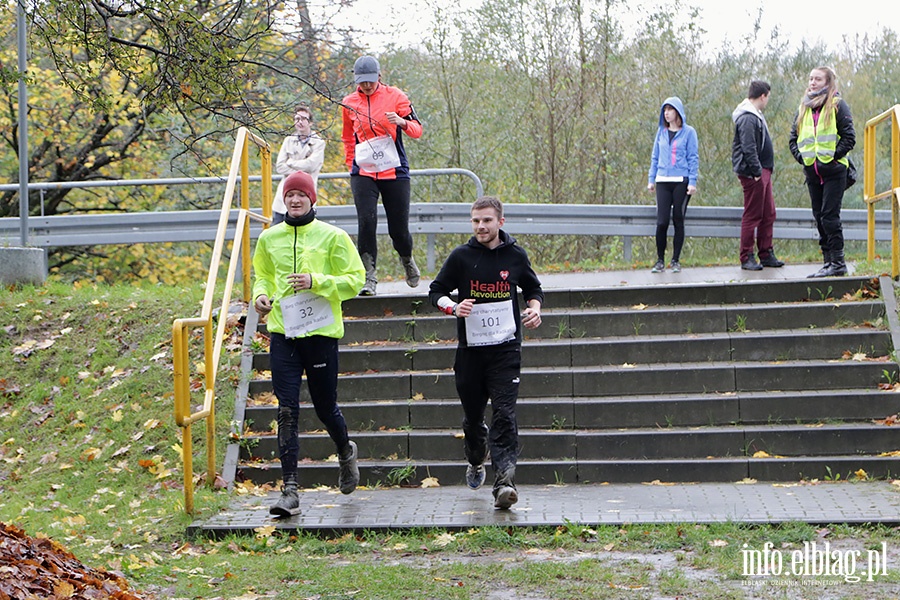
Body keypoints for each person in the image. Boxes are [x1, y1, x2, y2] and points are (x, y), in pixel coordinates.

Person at [252, 171, 365, 518]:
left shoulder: (333, 236)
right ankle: (289, 490)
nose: (295, 200)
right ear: (283, 200)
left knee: (325, 406)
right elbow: (263, 275)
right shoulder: (269, 238)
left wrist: (318, 281)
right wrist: (260, 295)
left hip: (319, 333)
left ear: (312, 199)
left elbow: (355, 280)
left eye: (302, 195)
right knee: (286, 410)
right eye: (290, 196)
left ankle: (345, 451)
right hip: (284, 333)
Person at [428, 196, 543, 510]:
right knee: (474, 420)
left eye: (487, 221)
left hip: (506, 350)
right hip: (471, 352)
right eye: (476, 221)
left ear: (500, 223)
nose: (481, 226)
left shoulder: (516, 256)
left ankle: (505, 482)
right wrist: (453, 307)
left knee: (505, 414)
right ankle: (475, 458)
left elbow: (533, 289)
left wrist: (534, 310)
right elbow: (434, 292)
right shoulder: (461, 257)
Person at [341, 54, 423, 296]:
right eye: (362, 81)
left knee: (398, 227)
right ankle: (369, 277)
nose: (366, 86)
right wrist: (351, 165)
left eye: (370, 80)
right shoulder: (349, 102)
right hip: (363, 171)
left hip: (394, 169)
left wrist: (401, 122)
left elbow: (417, 130)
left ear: (379, 76)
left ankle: (406, 258)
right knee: (366, 222)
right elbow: (347, 137)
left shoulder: (396, 96)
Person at [789, 66, 856, 278]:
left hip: (834, 171)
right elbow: (793, 139)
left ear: (827, 83)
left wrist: (831, 157)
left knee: (829, 216)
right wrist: (804, 160)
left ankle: (838, 262)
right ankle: (827, 262)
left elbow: (849, 137)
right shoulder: (804, 107)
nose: (812, 82)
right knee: (819, 217)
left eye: (817, 79)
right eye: (810, 79)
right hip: (812, 172)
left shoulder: (837, 105)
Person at [732, 80, 784, 271]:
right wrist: (755, 171)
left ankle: (766, 252)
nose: (767, 101)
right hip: (754, 172)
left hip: (763, 170)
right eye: (767, 97)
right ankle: (746, 256)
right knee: (753, 214)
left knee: (768, 213)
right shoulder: (747, 117)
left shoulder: (756, 116)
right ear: (763, 96)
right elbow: (748, 147)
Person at [647, 96, 699, 274]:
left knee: (678, 218)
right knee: (662, 222)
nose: (666, 113)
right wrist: (651, 179)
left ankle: (675, 260)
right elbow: (655, 156)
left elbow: (693, 157)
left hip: (681, 181)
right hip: (662, 180)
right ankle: (659, 260)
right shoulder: (661, 132)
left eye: (670, 109)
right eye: (665, 110)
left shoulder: (689, 132)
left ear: (677, 111)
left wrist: (692, 181)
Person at [271, 105, 326, 225]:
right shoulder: (288, 140)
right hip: (284, 195)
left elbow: (311, 165)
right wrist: (302, 170)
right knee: (277, 228)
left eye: (303, 119)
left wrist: (291, 163)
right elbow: (280, 166)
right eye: (297, 119)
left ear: (310, 122)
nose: (299, 122)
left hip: (307, 193)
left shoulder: (319, 143)